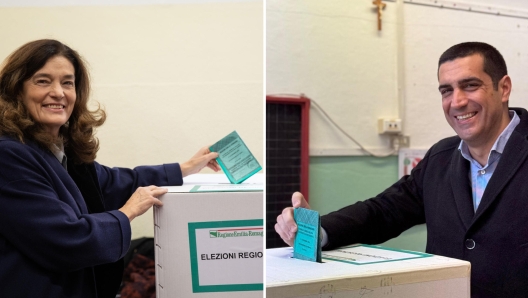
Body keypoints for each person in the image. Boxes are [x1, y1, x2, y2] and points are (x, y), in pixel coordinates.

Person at [275, 42, 528, 297]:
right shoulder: (440, 158)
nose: (457, 101)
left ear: (503, 88)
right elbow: (384, 211)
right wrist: (317, 230)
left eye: (470, 85)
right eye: (446, 90)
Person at [0, 39, 220, 297]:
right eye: (43, 81)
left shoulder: (56, 150)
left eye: (67, 82)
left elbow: (115, 182)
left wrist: (185, 168)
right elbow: (66, 239)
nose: (59, 92)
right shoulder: (9, 155)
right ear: (16, 90)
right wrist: (127, 213)